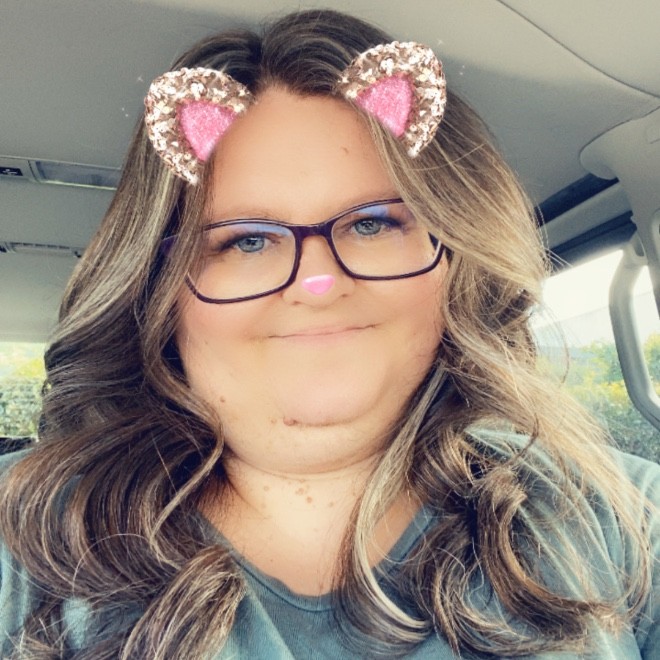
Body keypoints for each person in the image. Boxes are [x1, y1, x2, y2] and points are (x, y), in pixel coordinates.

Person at [0, 8, 657, 659]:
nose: (317, 282)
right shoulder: (19, 540)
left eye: (372, 224)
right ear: (160, 291)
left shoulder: (619, 515)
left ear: (456, 260)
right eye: (246, 240)